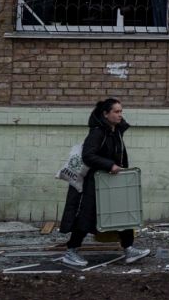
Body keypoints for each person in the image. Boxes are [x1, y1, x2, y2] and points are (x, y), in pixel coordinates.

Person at [58, 98, 151, 268]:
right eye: (116, 112)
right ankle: (71, 251)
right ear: (105, 114)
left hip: (111, 181)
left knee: (123, 212)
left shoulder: (114, 131)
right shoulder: (97, 132)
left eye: (121, 111)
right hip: (95, 182)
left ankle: (129, 249)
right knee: (86, 216)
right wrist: (110, 165)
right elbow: (88, 155)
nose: (120, 115)